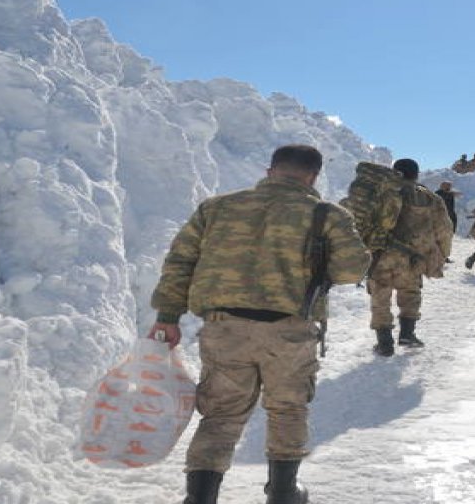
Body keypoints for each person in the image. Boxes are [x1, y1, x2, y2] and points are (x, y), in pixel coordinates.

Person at [147, 144, 370, 504]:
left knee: (221, 414)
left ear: (270, 171)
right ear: (313, 177)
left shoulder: (216, 207)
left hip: (224, 327)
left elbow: (180, 262)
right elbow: (351, 270)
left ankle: (200, 497)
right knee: (288, 409)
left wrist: (167, 317)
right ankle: (283, 492)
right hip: (289, 331)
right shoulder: (327, 214)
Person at [365, 158, 453, 357]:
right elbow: (444, 229)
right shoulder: (429, 198)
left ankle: (384, 342)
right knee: (410, 293)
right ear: (416, 175)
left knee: (380, 296)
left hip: (380, 256)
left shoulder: (379, 193)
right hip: (413, 258)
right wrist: (442, 254)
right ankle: (407, 334)